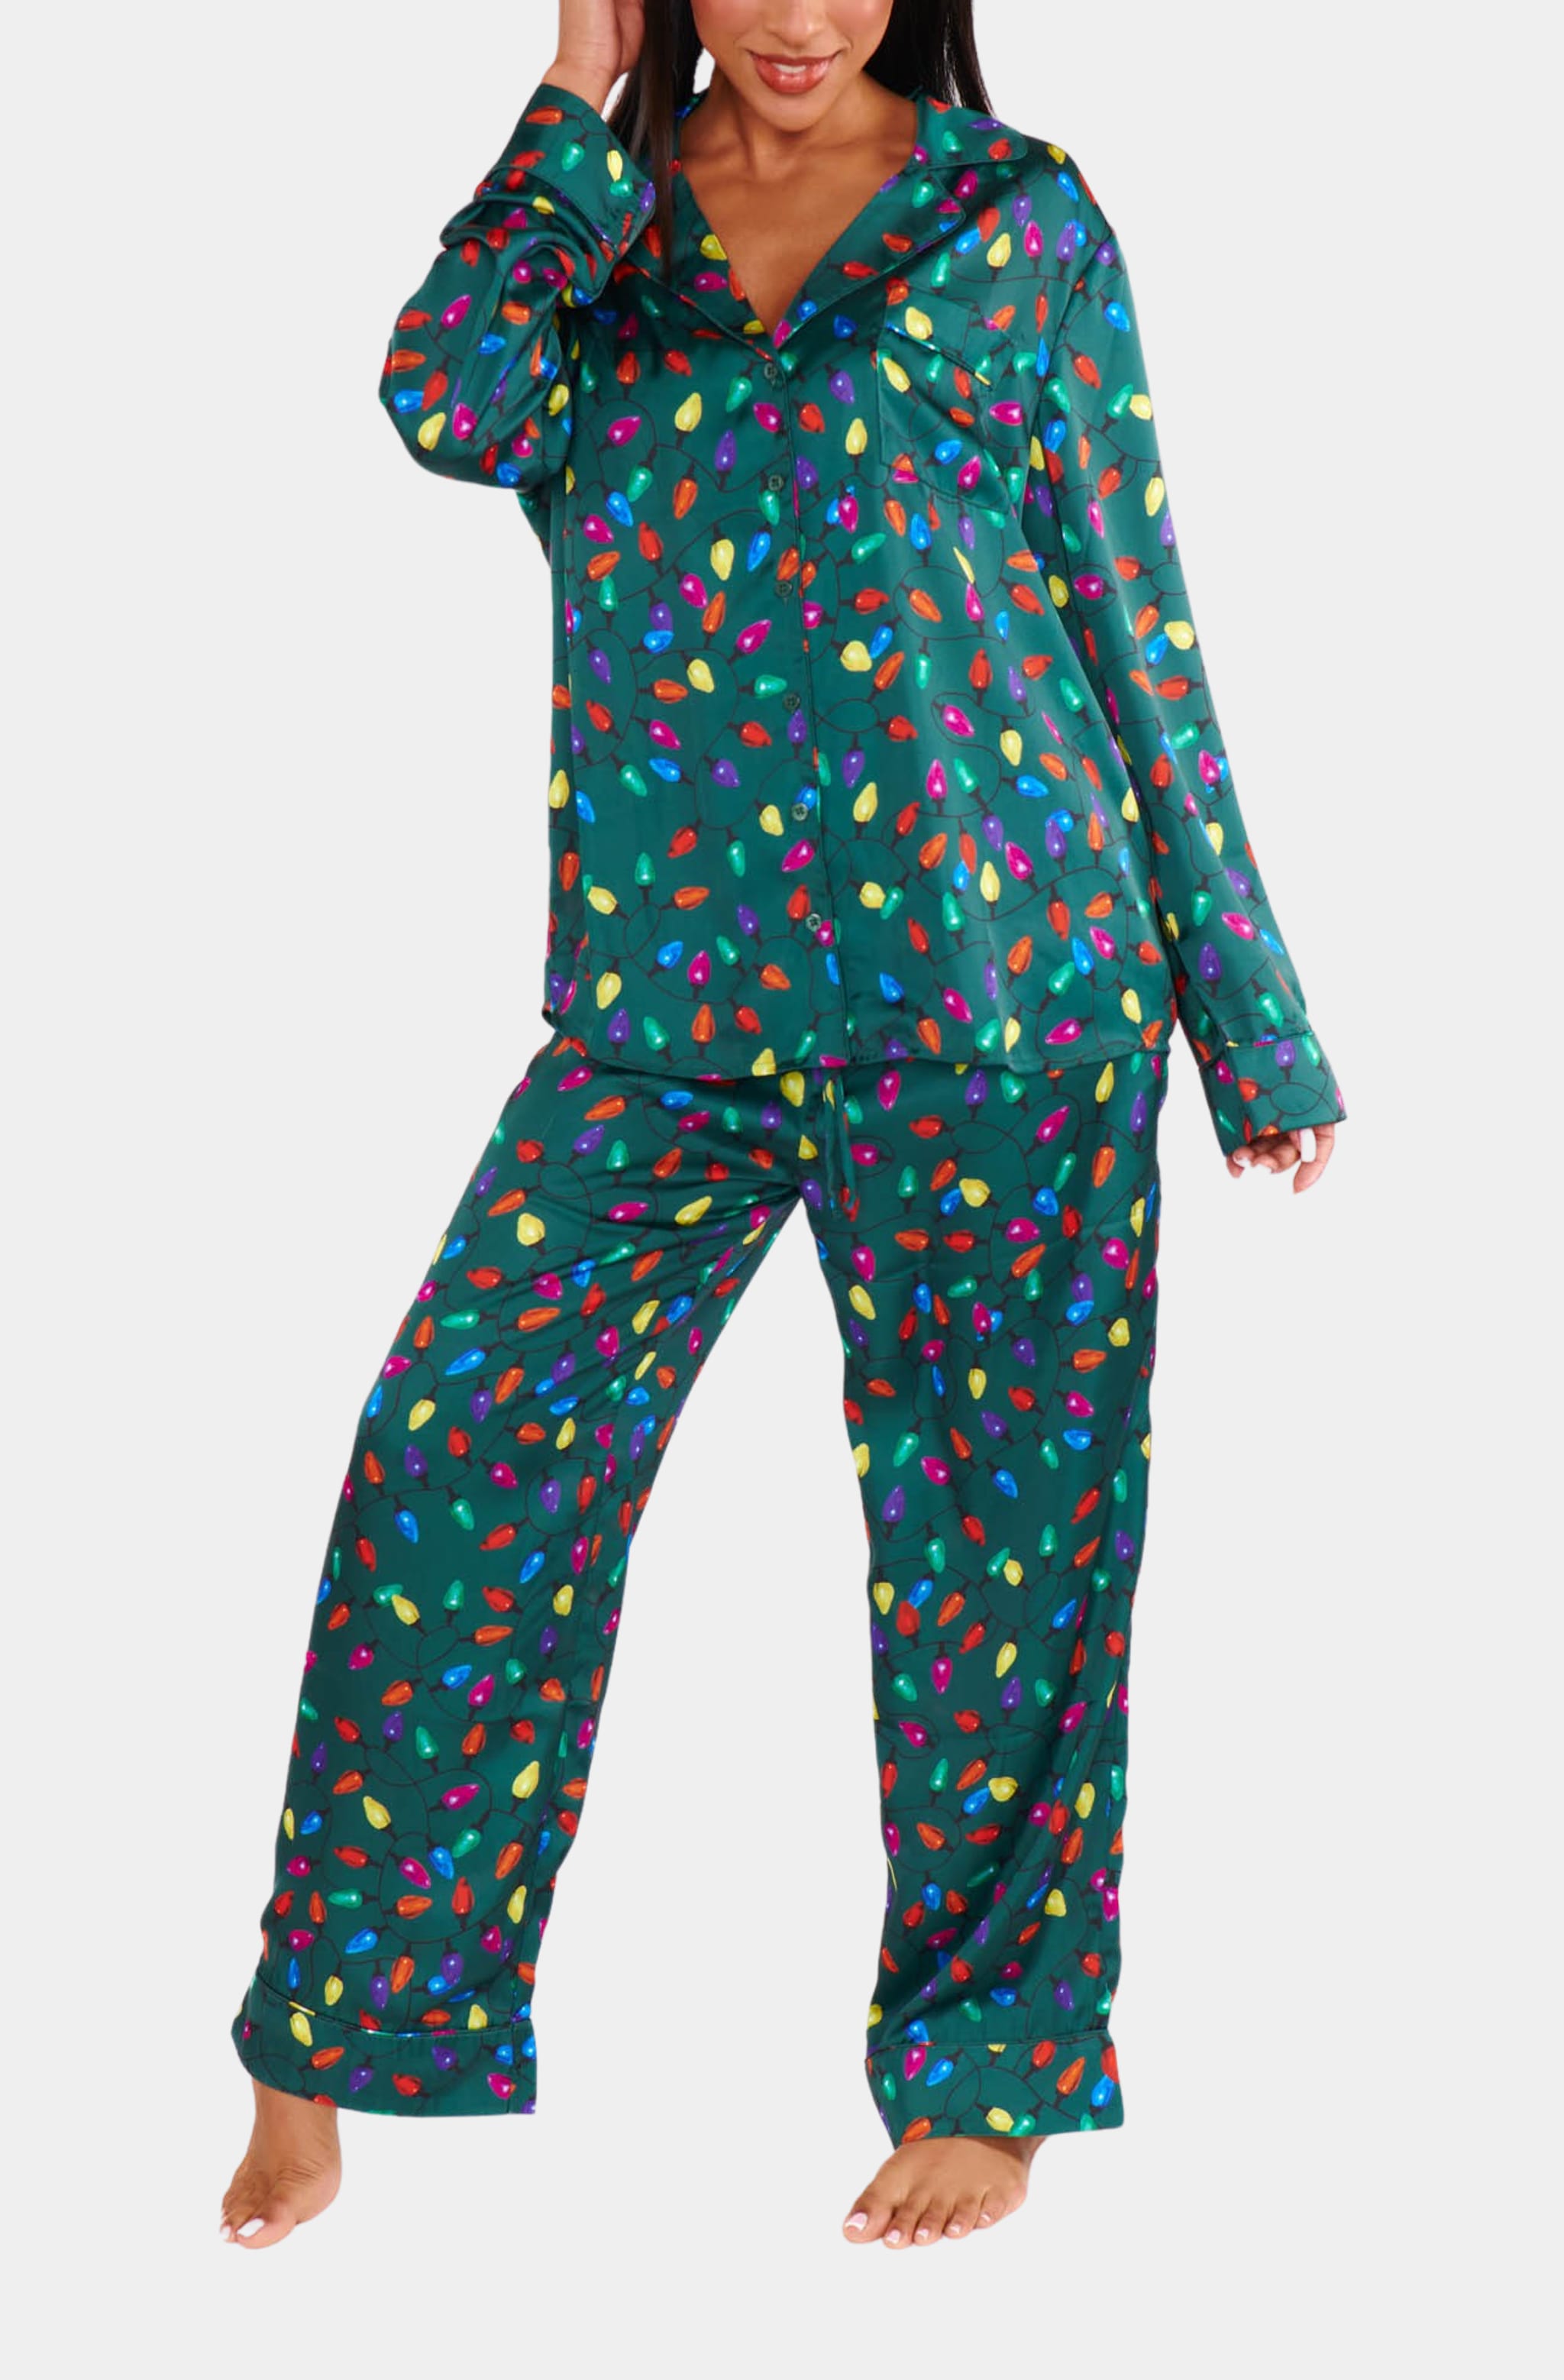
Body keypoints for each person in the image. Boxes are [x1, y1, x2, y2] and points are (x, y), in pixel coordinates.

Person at [221, 0, 1345, 2255]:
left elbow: (1130, 605)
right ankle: (335, 2032)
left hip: (1004, 985)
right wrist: (574, 93)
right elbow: (440, 402)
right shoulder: (595, 243)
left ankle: (991, 2070)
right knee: (458, 1456)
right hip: (667, 1006)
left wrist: (1250, 1014)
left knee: (1005, 1552)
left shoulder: (1017, 224)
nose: (802, 16)